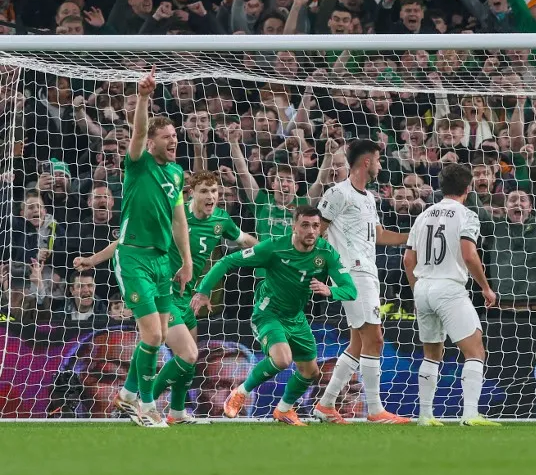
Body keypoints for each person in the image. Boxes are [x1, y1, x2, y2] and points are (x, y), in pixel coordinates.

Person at [77, 171, 257, 424]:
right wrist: (92, 260)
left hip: (186, 298)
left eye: (215, 191)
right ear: (191, 193)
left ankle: (176, 413)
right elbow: (126, 240)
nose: (211, 196)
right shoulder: (172, 217)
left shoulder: (221, 220)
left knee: (187, 362)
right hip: (163, 294)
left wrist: (268, 252)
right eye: (204, 191)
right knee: (187, 354)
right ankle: (141, 402)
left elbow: (243, 239)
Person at [191, 206, 358, 426]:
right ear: (294, 227)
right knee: (282, 359)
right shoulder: (274, 248)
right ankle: (239, 393)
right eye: (305, 225)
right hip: (268, 313)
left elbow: (351, 290)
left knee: (310, 372)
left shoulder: (326, 253)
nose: (311, 231)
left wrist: (331, 291)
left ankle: (284, 410)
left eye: (315, 226)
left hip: (296, 318)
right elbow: (226, 261)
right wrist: (203, 290)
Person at [110, 68, 193, 428]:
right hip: (133, 256)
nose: (173, 141)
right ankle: (146, 407)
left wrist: (186, 261)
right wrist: (143, 97)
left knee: (159, 338)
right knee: (154, 335)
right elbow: (139, 130)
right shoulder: (139, 163)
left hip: (162, 261)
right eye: (167, 137)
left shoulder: (175, 174)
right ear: (153, 142)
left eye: (175, 136)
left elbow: (179, 220)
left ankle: (127, 396)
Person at [314, 139, 411, 425]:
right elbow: (318, 231)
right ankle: (375, 410)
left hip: (369, 272)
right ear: (367, 162)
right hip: (351, 273)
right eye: (379, 160)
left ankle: (325, 404)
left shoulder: (368, 198)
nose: (381, 165)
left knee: (358, 343)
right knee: (375, 338)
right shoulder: (337, 193)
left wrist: (412, 236)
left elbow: (379, 236)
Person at [404, 163, 498, 426]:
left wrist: (418, 290)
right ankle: (469, 415)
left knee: (432, 354)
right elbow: (469, 254)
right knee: (475, 350)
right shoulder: (467, 215)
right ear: (468, 189)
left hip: (423, 287)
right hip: (449, 288)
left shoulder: (423, 215)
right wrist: (485, 287)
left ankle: (425, 415)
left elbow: (407, 259)